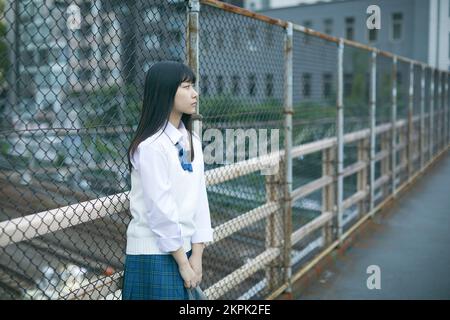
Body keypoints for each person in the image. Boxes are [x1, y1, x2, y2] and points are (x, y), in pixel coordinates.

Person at [122, 61, 213, 300]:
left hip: (185, 252)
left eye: (193, 86)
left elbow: (200, 198)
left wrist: (198, 255)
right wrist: (184, 263)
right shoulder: (151, 146)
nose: (195, 93)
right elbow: (161, 210)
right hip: (153, 255)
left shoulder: (192, 141)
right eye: (186, 87)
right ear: (165, 92)